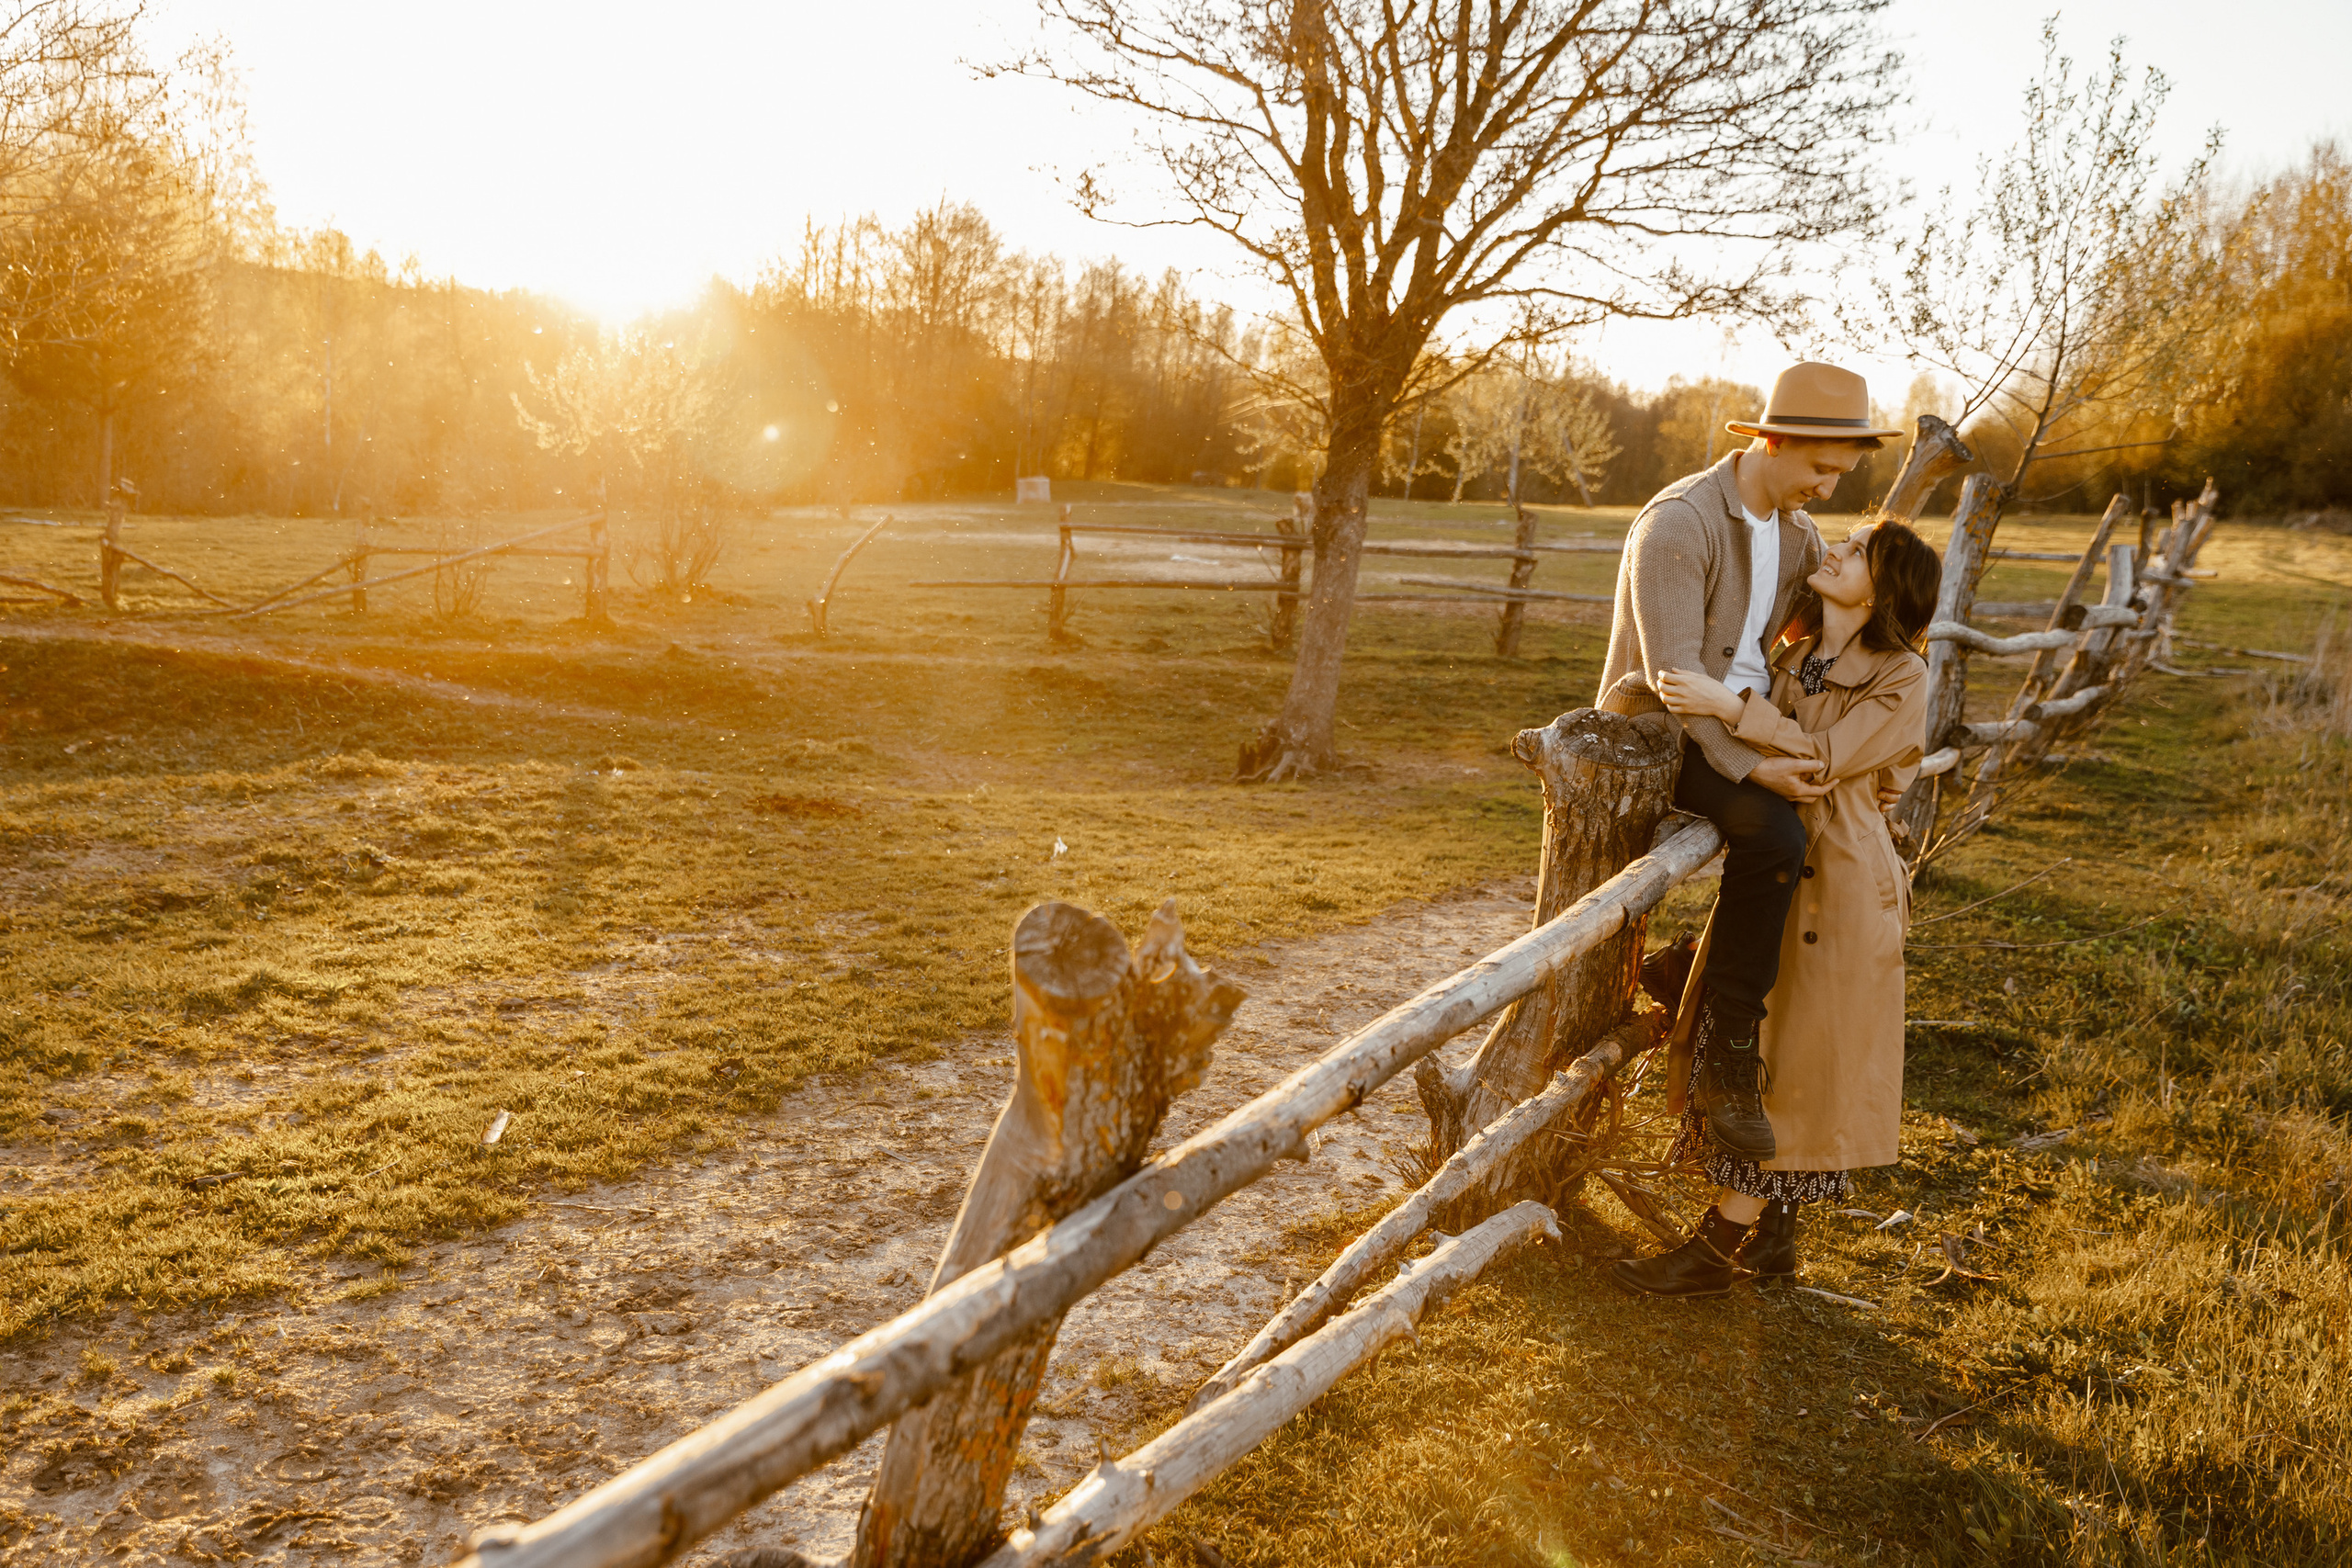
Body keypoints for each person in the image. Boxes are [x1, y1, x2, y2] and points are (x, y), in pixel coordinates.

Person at [1611, 517, 1943, 1297]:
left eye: (1858, 551)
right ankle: (1771, 1236)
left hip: (1846, 890)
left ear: (1885, 587)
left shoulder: (1903, 674)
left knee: (1793, 1069)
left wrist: (1729, 708)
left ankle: (1715, 1250)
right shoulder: (1795, 654)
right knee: (1765, 1047)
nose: (1835, 549)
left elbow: (1824, 758)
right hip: (1786, 878)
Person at [1595, 363, 1904, 1168]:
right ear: (1771, 440)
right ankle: (1731, 1047)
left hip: (1739, 727)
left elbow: (1843, 623)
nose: (1830, 488)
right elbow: (1673, 680)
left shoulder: (1800, 539)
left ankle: (1692, 976)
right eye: (1819, 467)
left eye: (1841, 472)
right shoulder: (1678, 526)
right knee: (1773, 834)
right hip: (1660, 736)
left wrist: (1885, 716)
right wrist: (1752, 768)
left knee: (1810, 823)